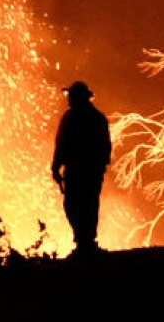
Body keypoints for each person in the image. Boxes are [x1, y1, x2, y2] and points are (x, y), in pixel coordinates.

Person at [51, 81, 112, 255]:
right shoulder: (97, 117)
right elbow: (106, 146)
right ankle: (85, 241)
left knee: (78, 205)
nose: (68, 100)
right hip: (89, 170)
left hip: (79, 170)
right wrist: (100, 166)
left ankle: (85, 243)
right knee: (86, 204)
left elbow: (61, 144)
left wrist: (56, 167)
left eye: (71, 97)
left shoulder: (72, 118)